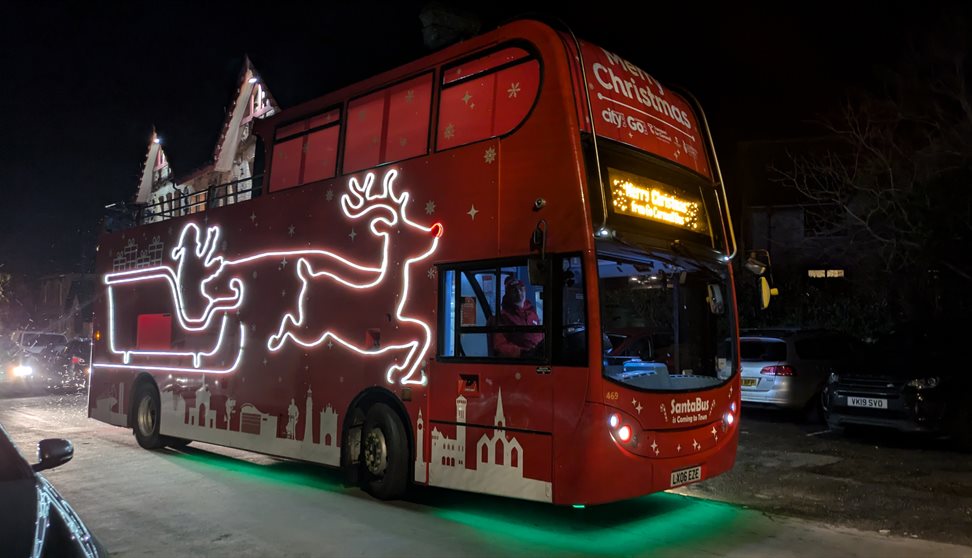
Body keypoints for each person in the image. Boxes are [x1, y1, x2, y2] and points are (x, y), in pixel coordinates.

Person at [492, 277, 543, 357]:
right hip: (521, 362)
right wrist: (522, 353)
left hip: (538, 357)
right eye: (514, 291)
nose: (519, 293)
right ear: (508, 294)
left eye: (520, 289)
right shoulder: (503, 317)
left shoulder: (531, 312)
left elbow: (540, 335)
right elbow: (500, 345)